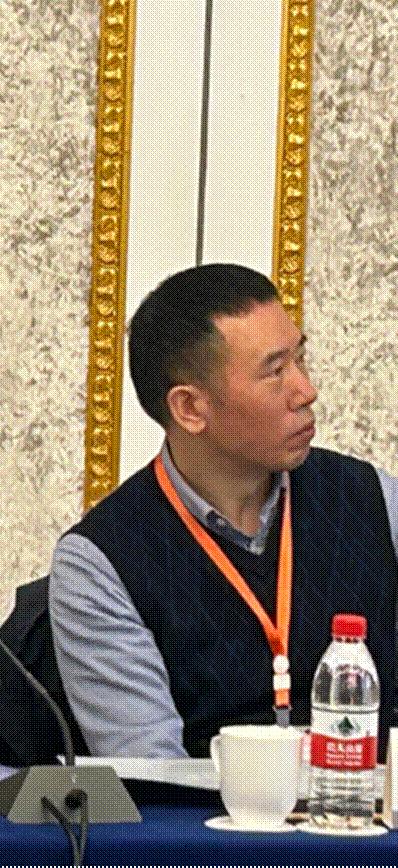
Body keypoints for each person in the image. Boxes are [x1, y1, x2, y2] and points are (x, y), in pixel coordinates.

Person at [50, 263, 398, 758]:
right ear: (190, 408)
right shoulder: (101, 561)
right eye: (275, 372)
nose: (306, 391)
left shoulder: (371, 499)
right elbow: (149, 773)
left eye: (301, 359)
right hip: (207, 807)